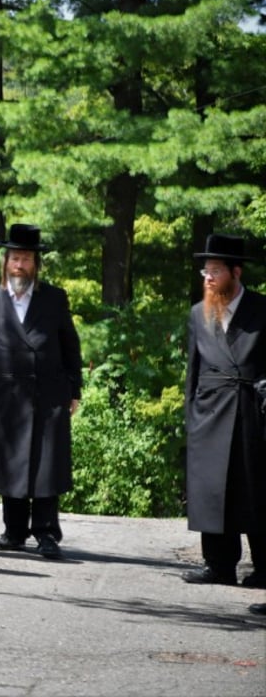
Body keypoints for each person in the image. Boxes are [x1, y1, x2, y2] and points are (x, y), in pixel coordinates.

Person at [0, 223, 82, 560]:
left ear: (36, 264)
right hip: (5, 394)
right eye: (15, 258)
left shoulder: (54, 298)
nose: (20, 265)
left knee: (46, 467)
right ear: (6, 262)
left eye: (26, 259)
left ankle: (46, 534)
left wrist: (74, 389)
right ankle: (14, 531)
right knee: (10, 464)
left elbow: (69, 345)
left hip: (48, 394)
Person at [179, 234, 265, 588]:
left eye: (215, 270)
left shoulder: (262, 310)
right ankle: (218, 564)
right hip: (210, 413)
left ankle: (264, 567)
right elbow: (193, 371)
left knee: (257, 491)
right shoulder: (199, 314)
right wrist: (191, 418)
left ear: (236, 272)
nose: (208, 278)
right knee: (212, 489)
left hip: (251, 411)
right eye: (205, 271)